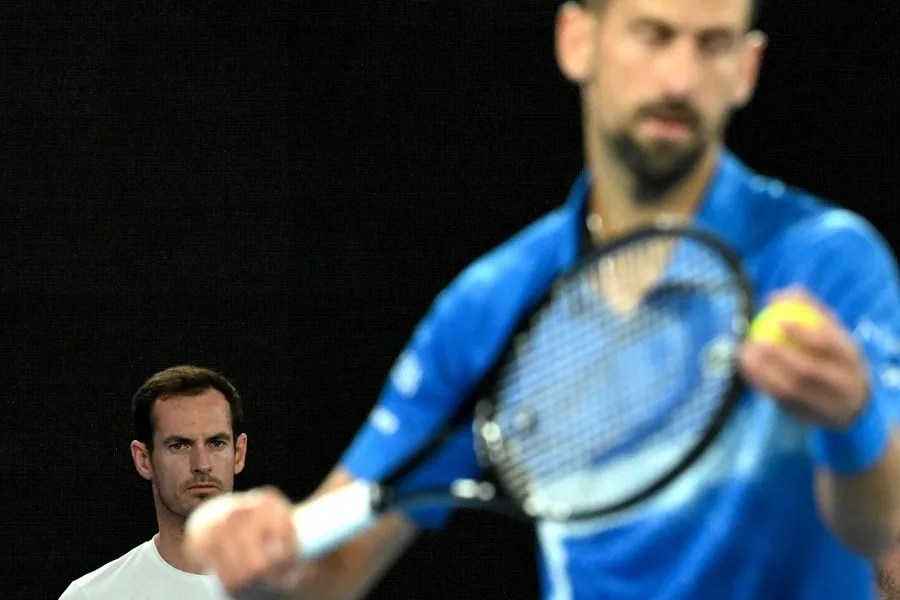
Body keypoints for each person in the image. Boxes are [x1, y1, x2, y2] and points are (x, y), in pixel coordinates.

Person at [184, 0, 900, 598]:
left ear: (747, 69)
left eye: (712, 46)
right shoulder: (493, 303)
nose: (680, 77)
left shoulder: (827, 259)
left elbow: (885, 535)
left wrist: (853, 416)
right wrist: (256, 548)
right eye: (653, 35)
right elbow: (334, 569)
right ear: (577, 40)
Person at [60, 366, 249, 599]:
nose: (202, 464)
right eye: (179, 445)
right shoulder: (92, 595)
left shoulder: (296, 589)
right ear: (143, 459)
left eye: (216, 443)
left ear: (239, 453)